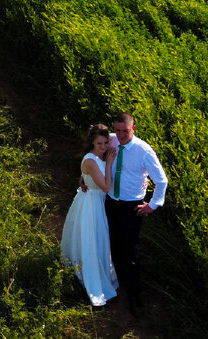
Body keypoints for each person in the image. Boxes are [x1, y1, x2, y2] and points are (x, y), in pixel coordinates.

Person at [104, 111, 167, 316]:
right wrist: (84, 176)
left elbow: (162, 181)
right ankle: (117, 283)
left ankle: (133, 293)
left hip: (132, 207)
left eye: (125, 131)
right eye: (117, 130)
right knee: (114, 244)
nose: (121, 135)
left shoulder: (144, 151)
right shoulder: (111, 140)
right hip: (111, 203)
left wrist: (153, 205)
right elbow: (93, 150)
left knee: (131, 250)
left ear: (133, 128)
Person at [60, 124, 119, 306]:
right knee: (91, 240)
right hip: (91, 205)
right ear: (92, 142)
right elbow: (106, 187)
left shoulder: (99, 156)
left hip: (99, 203)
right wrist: (109, 164)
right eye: (99, 143)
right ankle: (89, 276)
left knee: (99, 240)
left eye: (105, 143)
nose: (103, 147)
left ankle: (102, 271)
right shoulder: (92, 161)